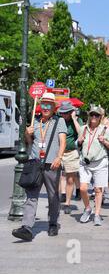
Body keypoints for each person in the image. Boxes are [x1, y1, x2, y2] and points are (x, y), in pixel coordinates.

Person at [12, 93, 67, 241]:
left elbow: (63, 142)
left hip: (52, 164)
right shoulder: (34, 121)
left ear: (54, 107)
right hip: (35, 163)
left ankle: (53, 223)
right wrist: (27, 133)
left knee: (53, 196)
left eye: (49, 104)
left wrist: (59, 157)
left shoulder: (59, 121)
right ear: (40, 106)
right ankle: (27, 228)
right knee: (31, 196)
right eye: (44, 104)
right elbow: (30, 142)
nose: (46, 107)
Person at [78, 106, 109, 226]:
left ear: (100, 117)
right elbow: (77, 144)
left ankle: (97, 214)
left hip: (100, 162)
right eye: (92, 115)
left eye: (97, 115)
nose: (94, 117)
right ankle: (88, 208)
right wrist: (78, 141)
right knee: (83, 188)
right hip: (85, 163)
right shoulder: (83, 128)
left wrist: (104, 141)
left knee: (98, 189)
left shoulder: (104, 129)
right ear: (88, 116)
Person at [59, 101, 83, 215]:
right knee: (57, 178)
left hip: (71, 152)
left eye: (66, 113)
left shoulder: (77, 121)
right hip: (58, 152)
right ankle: (58, 198)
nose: (64, 115)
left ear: (71, 112)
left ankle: (67, 203)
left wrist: (73, 119)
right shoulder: (58, 120)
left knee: (70, 179)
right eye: (62, 113)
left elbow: (81, 134)